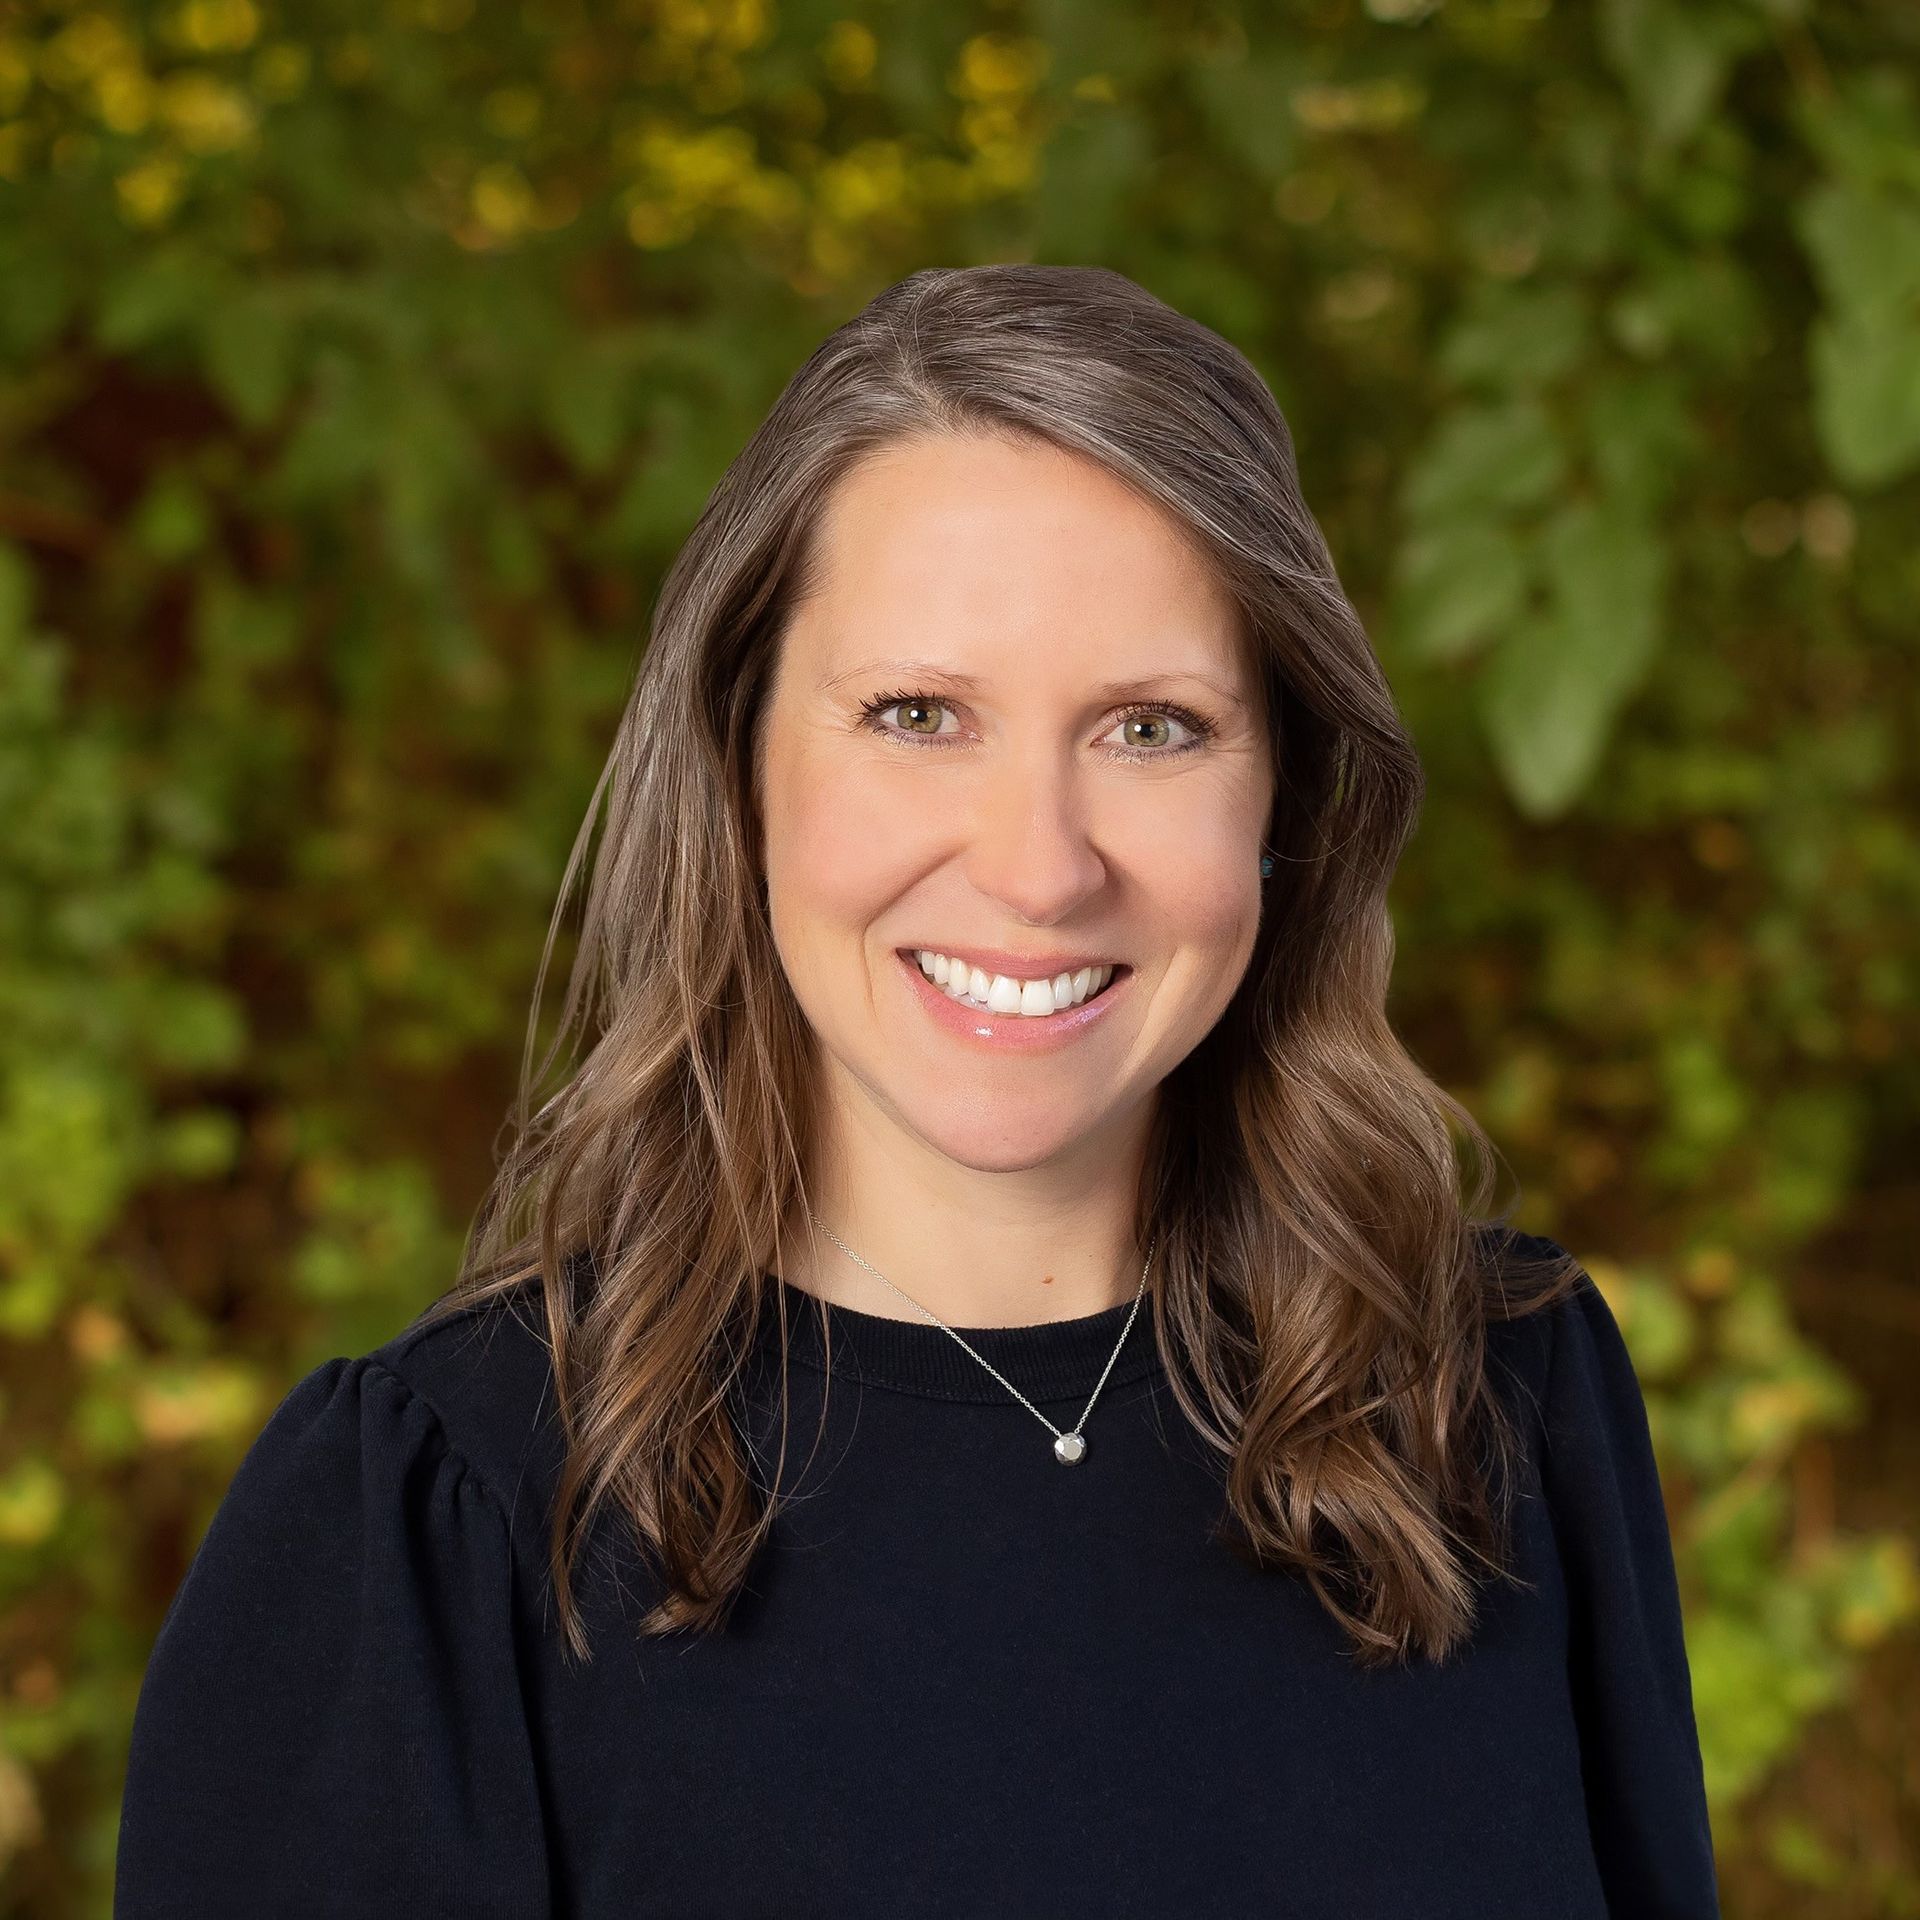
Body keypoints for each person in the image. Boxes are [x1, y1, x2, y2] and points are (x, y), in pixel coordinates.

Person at [113, 263, 1720, 1917]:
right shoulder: (436, 1519)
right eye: (916, 715)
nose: (1037, 868)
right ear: (737, 764)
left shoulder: (1496, 1406)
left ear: (1287, 796)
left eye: (1153, 729)